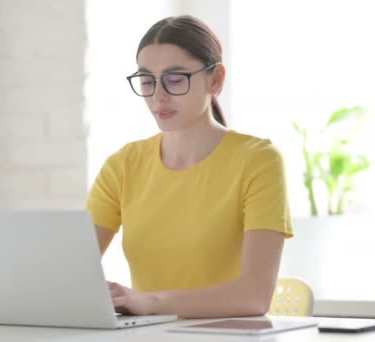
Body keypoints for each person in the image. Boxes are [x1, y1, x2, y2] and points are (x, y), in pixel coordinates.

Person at [86, 15, 293, 319]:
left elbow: (254, 296)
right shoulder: (123, 165)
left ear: (216, 80)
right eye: (147, 80)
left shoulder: (257, 159)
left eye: (174, 79)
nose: (158, 96)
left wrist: (149, 302)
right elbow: (70, 274)